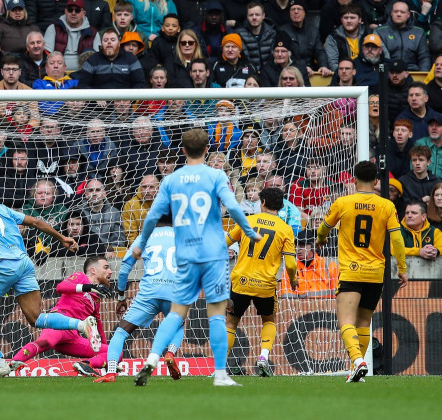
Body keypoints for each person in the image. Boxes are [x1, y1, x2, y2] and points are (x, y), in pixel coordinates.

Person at [133, 128, 261, 387]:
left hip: (186, 255)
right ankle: (220, 375)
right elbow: (234, 206)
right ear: (207, 149)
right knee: (216, 314)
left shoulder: (170, 180)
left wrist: (141, 245)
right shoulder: (215, 175)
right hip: (213, 254)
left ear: (182, 150)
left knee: (176, 313)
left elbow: (152, 217)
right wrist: (248, 231)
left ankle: (152, 358)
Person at [0, 178, 102, 378]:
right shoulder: (0, 208)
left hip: (5, 264)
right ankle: (81, 324)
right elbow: (35, 222)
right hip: (25, 263)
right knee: (35, 318)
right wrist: (62, 237)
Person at [316, 160, 408, 383]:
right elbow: (396, 239)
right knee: (364, 321)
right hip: (376, 272)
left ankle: (358, 361)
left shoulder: (343, 202)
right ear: (376, 181)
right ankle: (354, 370)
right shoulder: (387, 206)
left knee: (346, 321)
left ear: (354, 179)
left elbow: (323, 228)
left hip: (351, 271)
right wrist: (402, 269)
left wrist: (321, 240)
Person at [94, 214, 184, 383]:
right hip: (174, 291)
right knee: (178, 325)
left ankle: (111, 372)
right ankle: (170, 353)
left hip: (149, 292)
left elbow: (125, 268)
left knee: (121, 332)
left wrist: (121, 295)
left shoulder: (145, 237)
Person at [225, 187, 297, 377]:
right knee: (268, 320)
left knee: (231, 323)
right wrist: (294, 280)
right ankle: (263, 356)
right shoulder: (285, 229)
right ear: (281, 206)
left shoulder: (247, 221)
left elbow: (224, 242)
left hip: (241, 280)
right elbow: (290, 264)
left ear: (262, 202)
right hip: (265, 284)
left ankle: (218, 367)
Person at [9, 256, 113, 376]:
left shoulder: (96, 299)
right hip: (58, 324)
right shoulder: (80, 277)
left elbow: (98, 326)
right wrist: (88, 287)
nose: (110, 271)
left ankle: (86, 364)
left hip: (73, 337)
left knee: (115, 352)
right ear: (93, 270)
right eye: (106, 267)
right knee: (46, 342)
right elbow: (60, 287)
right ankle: (11, 364)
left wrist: (108, 358)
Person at [77, 28, 145, 89]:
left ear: (119, 43)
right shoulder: (92, 60)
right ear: (101, 43)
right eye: (105, 40)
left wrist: (129, 99)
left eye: (113, 40)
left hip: (125, 101)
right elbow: (82, 85)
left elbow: (140, 84)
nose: (109, 42)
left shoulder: (131, 59)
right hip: (98, 101)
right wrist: (96, 97)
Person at [43, 0, 101, 71]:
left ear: (83, 13)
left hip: (85, 74)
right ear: (65, 12)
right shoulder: (53, 28)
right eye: (70, 10)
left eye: (77, 10)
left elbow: (98, 58)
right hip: (58, 74)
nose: (73, 13)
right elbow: (47, 55)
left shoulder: (93, 33)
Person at [280, 229, 339, 298]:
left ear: (312, 246)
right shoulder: (290, 271)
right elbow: (287, 302)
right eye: (296, 245)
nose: (298, 249)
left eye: (302, 245)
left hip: (327, 308)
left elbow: (337, 297)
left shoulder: (330, 267)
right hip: (299, 308)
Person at [374, 1, 430, 71]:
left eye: (402, 12)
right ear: (391, 13)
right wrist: (382, 76)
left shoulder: (418, 32)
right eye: (396, 11)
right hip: (389, 72)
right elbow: (379, 58)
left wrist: (423, 77)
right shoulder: (380, 32)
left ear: (408, 14)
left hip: (412, 73)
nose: (398, 14)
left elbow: (424, 57)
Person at [235, 1, 277, 72]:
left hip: (269, 73)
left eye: (257, 15)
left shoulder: (271, 33)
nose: (254, 18)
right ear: (247, 17)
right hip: (249, 72)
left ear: (263, 16)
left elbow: (272, 58)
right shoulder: (240, 33)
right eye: (251, 15)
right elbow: (246, 58)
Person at [122, 174, 160, 244]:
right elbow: (131, 235)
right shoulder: (131, 205)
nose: (147, 191)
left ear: (158, 189)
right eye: (144, 187)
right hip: (139, 246)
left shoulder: (164, 204)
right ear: (140, 188)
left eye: (151, 187)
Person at [415, 114, 442, 179]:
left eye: (438, 125)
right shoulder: (420, 144)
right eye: (431, 125)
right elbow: (414, 169)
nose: (434, 128)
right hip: (424, 185)